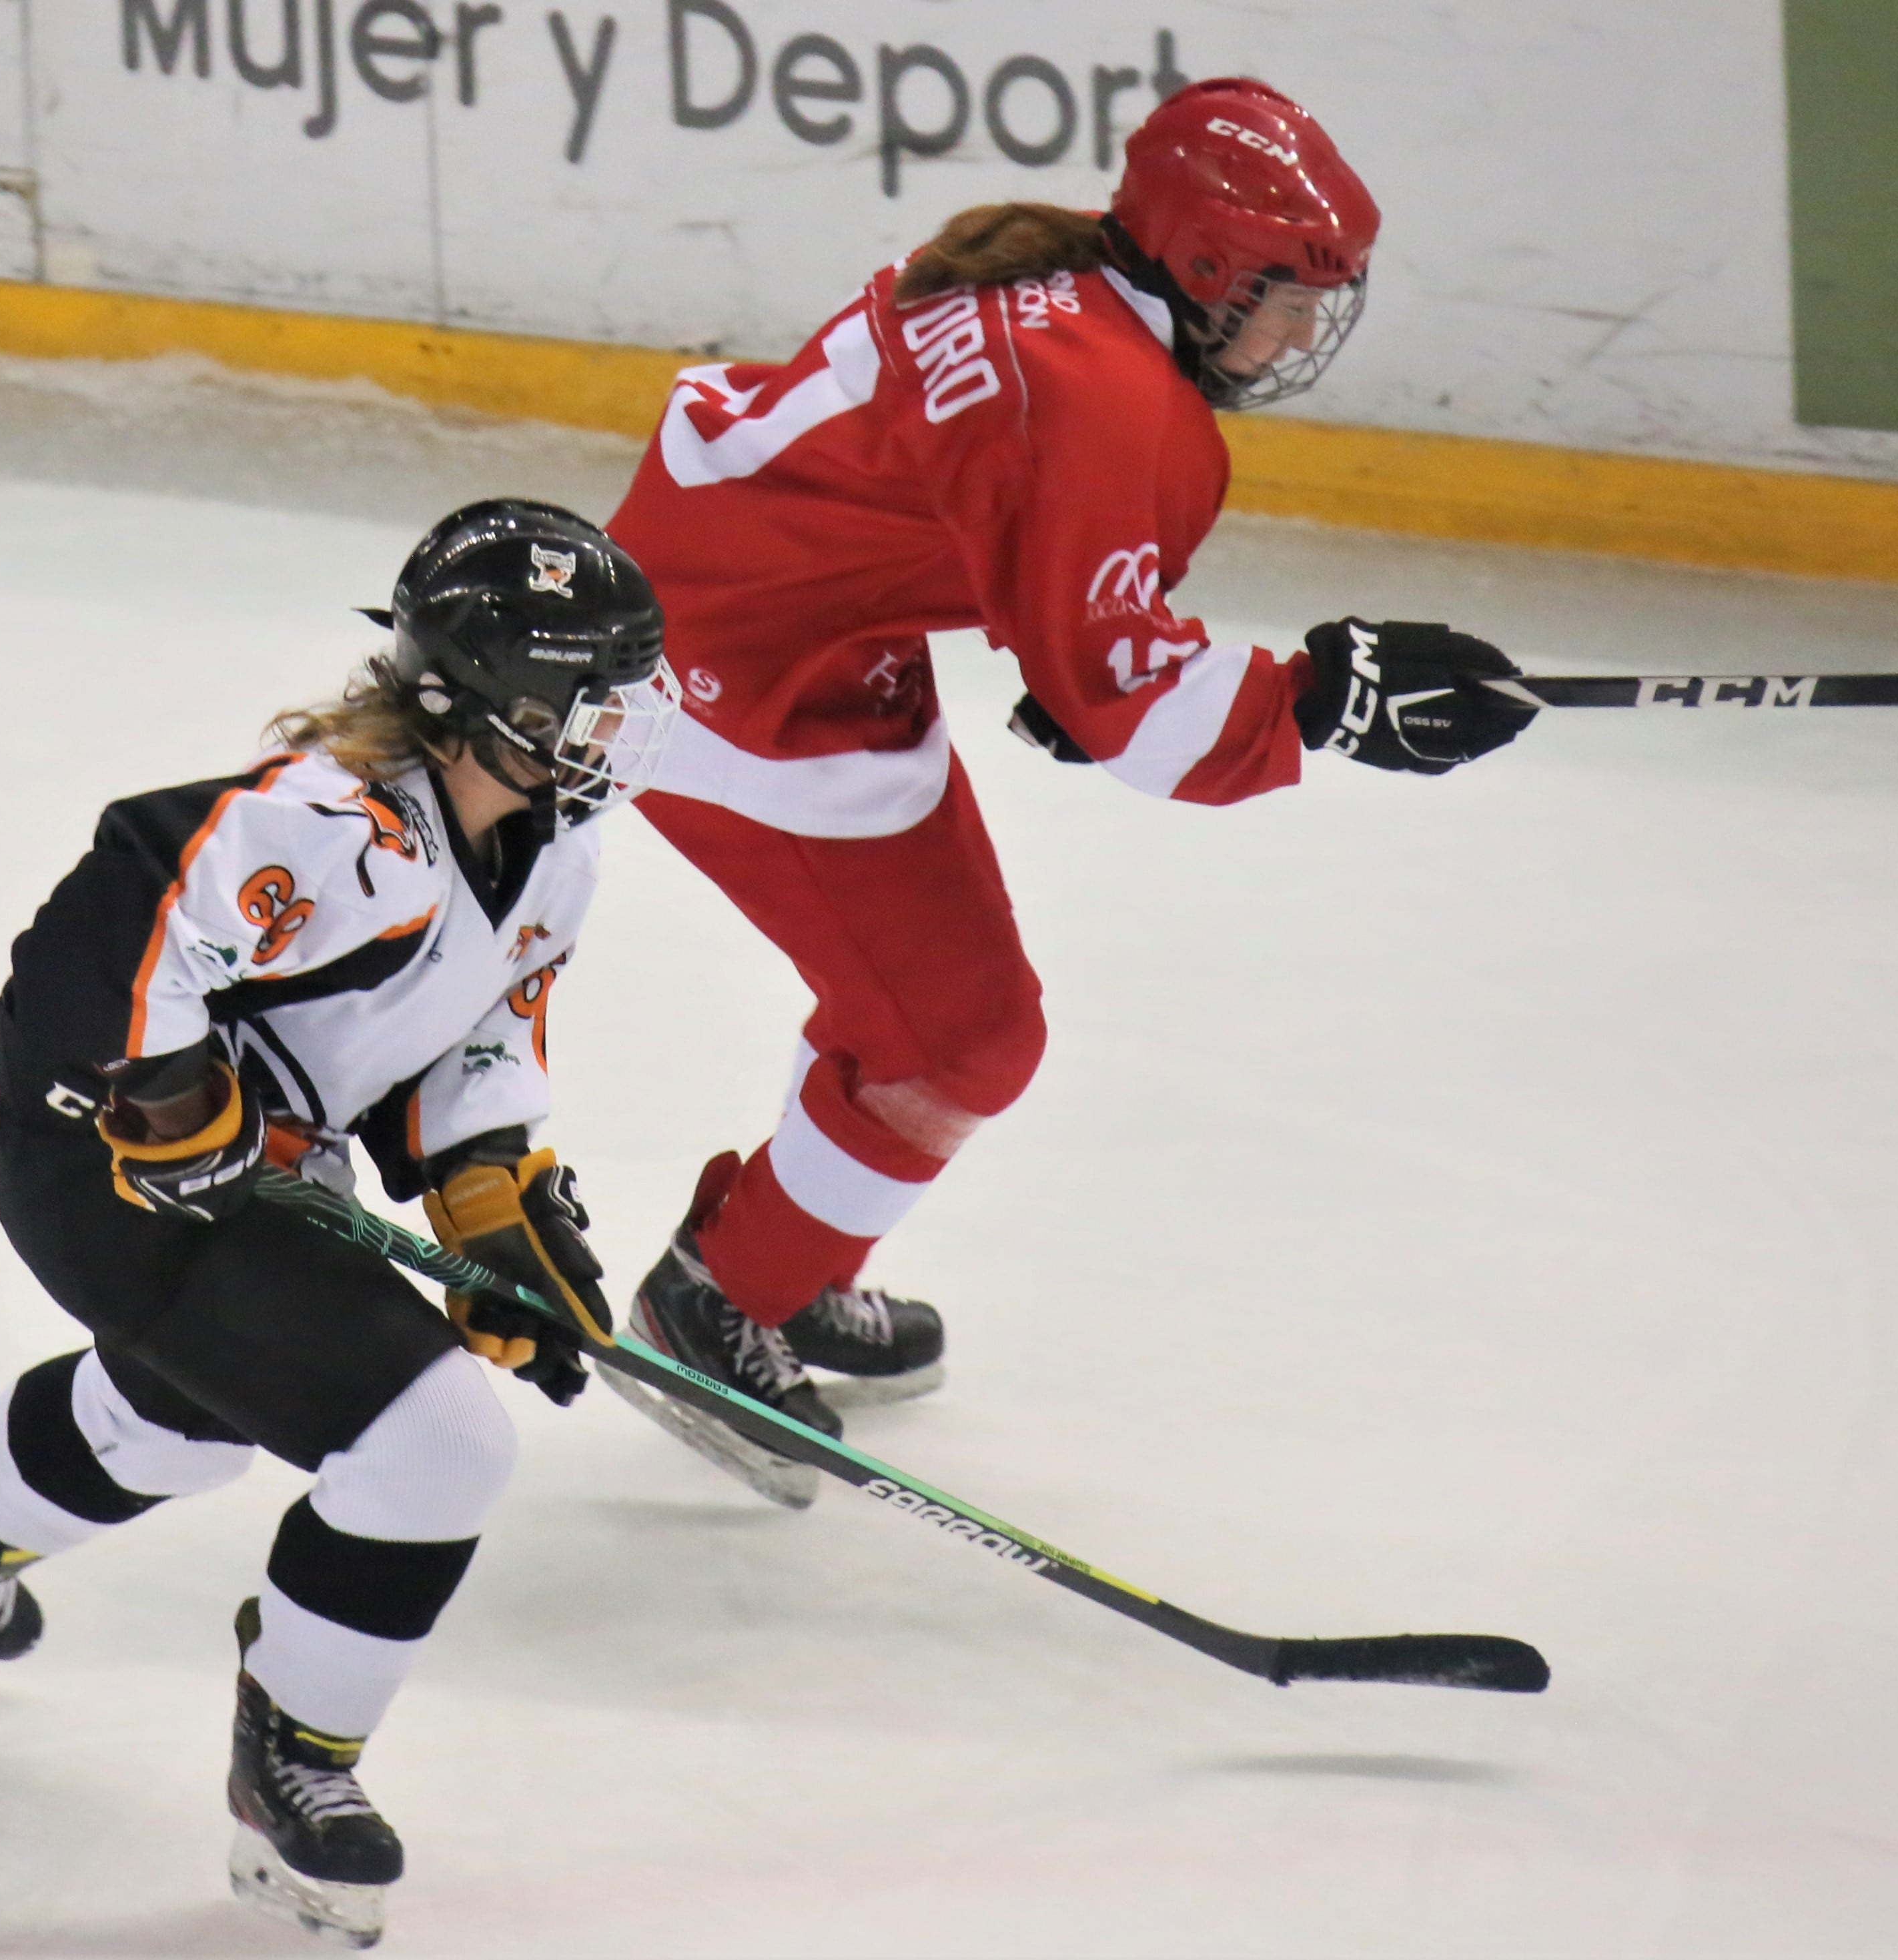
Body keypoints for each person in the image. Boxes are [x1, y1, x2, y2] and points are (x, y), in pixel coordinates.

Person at [600, 77, 1539, 1498]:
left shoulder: (1047, 278)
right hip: (740, 685)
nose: (1300, 333)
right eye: (1287, 296)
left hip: (764, 616)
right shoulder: (1100, 393)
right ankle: (715, 1299)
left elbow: (966, 511)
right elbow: (1141, 715)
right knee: (961, 1035)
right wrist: (1320, 702)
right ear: (1209, 268)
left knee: (912, 1012)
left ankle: (786, 1263)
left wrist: (1055, 633)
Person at [0, 501, 680, 1949]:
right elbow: (118, 905)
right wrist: (163, 1092)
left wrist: (491, 1208)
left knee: (198, 1418)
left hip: (270, 1169)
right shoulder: (334, 825)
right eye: (591, 692)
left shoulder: (548, 852)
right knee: (435, 1440)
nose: (618, 725)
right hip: (107, 1168)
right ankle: (298, 1763)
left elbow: (464, 1048)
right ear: (483, 693)